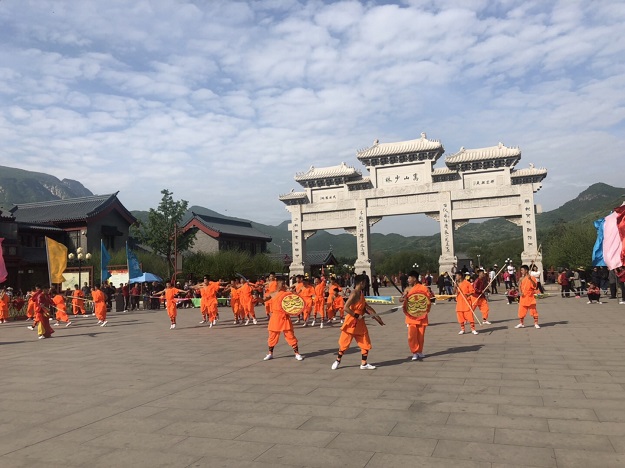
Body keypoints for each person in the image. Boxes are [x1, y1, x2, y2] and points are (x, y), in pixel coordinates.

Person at [331, 274, 384, 370]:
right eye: (365, 283)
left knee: (365, 342)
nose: (366, 284)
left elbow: (366, 307)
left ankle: (364, 363)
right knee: (344, 343)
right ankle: (338, 360)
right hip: (351, 321)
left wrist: (377, 318)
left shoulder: (361, 293)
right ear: (361, 283)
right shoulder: (354, 293)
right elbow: (346, 307)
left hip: (360, 323)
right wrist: (356, 315)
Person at [263, 278, 304, 362]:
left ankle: (297, 354)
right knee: (272, 336)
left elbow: (297, 299)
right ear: (277, 285)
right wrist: (256, 298)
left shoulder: (287, 294)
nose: (282, 285)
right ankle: (270, 353)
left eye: (283, 284)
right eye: (280, 284)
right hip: (275, 317)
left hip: (284, 317)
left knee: (290, 336)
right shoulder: (272, 294)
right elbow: (263, 300)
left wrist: (294, 292)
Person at [401, 270, 434, 361]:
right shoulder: (407, 289)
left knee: (421, 336)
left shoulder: (423, 288)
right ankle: (414, 352)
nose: (408, 280)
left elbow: (428, 299)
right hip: (411, 316)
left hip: (421, 315)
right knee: (412, 336)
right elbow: (402, 298)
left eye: (409, 278)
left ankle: (420, 351)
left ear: (414, 278)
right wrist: (403, 298)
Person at [515, 264, 540, 329]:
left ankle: (536, 323)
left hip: (530, 297)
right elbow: (519, 286)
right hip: (523, 297)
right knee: (521, 311)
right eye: (521, 270)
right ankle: (521, 323)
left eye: (522, 270)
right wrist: (520, 292)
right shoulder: (521, 278)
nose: (521, 272)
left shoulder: (532, 278)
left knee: (533, 311)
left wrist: (530, 279)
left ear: (526, 270)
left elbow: (535, 286)